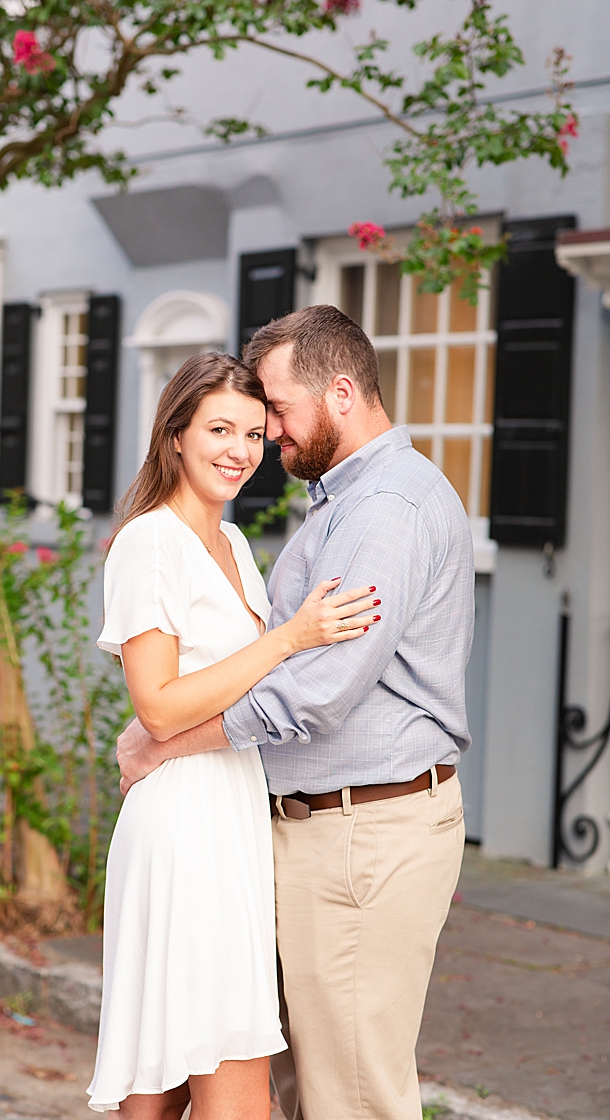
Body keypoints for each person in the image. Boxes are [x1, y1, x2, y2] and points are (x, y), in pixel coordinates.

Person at [115, 304, 473, 1120]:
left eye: (275, 409)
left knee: (348, 1097)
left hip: (359, 839)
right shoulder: (338, 502)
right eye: (238, 421)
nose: (264, 432)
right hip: (287, 831)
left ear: (340, 393)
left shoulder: (386, 509)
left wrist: (167, 744)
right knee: (271, 1078)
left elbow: (319, 688)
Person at [86, 351, 381, 1118]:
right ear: (175, 434)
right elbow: (158, 704)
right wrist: (291, 638)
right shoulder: (150, 542)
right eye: (220, 428)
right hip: (183, 827)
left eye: (255, 433)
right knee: (224, 1067)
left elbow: (208, 689)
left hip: (231, 812)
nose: (240, 451)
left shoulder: (236, 548)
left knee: (167, 1079)